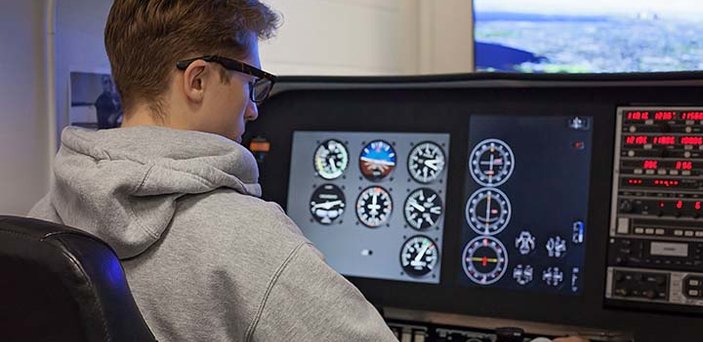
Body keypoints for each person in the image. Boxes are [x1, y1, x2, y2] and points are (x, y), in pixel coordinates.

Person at [29, 0, 395, 341]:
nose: (252, 110)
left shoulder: (44, 215)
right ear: (198, 80)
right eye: (250, 83)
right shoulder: (249, 239)